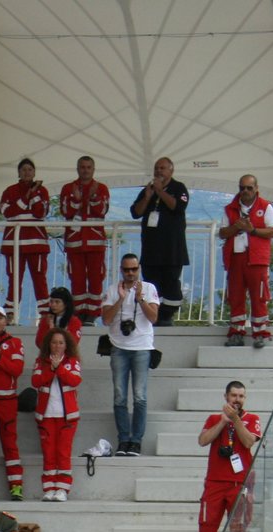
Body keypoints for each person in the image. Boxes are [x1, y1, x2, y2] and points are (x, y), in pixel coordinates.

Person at [101, 253, 161, 458]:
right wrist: (121, 298)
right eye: (126, 270)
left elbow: (153, 317)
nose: (130, 273)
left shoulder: (149, 288)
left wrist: (140, 298)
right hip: (119, 347)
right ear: (121, 270)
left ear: (139, 269)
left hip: (142, 347)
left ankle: (136, 441)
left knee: (140, 397)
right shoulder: (112, 290)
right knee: (119, 396)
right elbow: (106, 320)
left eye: (134, 269)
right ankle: (123, 439)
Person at [196, 381, 262, 532]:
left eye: (241, 396)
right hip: (214, 482)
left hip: (239, 483)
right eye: (234, 395)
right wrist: (223, 422)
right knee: (207, 523)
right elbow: (202, 441)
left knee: (239, 526)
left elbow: (249, 442)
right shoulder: (214, 419)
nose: (237, 399)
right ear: (226, 396)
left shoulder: (252, 418)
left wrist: (236, 420)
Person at [129, 157, 190, 325]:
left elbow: (178, 207)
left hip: (172, 249)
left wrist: (161, 191)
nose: (159, 171)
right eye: (156, 168)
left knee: (170, 282)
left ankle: (167, 316)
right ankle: (152, 314)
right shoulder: (148, 189)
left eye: (162, 168)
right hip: (151, 249)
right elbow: (136, 212)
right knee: (151, 283)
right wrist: (148, 196)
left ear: (171, 170)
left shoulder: (179, 188)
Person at [220, 175, 273, 348]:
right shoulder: (230, 208)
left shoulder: (265, 207)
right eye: (242, 188)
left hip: (257, 258)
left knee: (258, 296)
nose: (245, 191)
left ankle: (260, 333)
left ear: (256, 189)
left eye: (249, 188)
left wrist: (252, 231)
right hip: (236, 257)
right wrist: (235, 227)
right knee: (235, 296)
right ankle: (236, 332)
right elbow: (223, 233)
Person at [32, 327, 82, 502]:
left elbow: (75, 380)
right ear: (49, 344)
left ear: (66, 345)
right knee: (49, 453)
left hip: (67, 416)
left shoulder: (73, 361)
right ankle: (49, 488)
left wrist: (59, 367)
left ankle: (62, 489)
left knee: (63, 452)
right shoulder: (40, 361)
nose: (57, 346)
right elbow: (36, 381)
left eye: (61, 342)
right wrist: (51, 369)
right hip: (46, 416)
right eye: (54, 342)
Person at [0, 158, 51, 321]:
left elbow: (40, 212)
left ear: (34, 172)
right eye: (24, 170)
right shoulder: (10, 190)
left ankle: (45, 313)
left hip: (37, 243)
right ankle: (11, 312)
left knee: (39, 278)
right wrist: (25, 198)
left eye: (30, 169)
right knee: (14, 278)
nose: (27, 172)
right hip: (14, 242)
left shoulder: (43, 191)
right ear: (19, 173)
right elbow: (7, 212)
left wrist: (33, 194)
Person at [60, 156, 111, 315]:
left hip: (95, 242)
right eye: (82, 167)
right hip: (75, 242)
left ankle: (93, 314)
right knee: (77, 279)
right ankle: (78, 313)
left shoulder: (102, 188)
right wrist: (77, 198)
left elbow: (102, 211)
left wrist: (93, 197)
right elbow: (65, 211)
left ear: (93, 169)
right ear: (77, 169)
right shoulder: (67, 188)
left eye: (89, 167)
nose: (85, 170)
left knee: (96, 279)